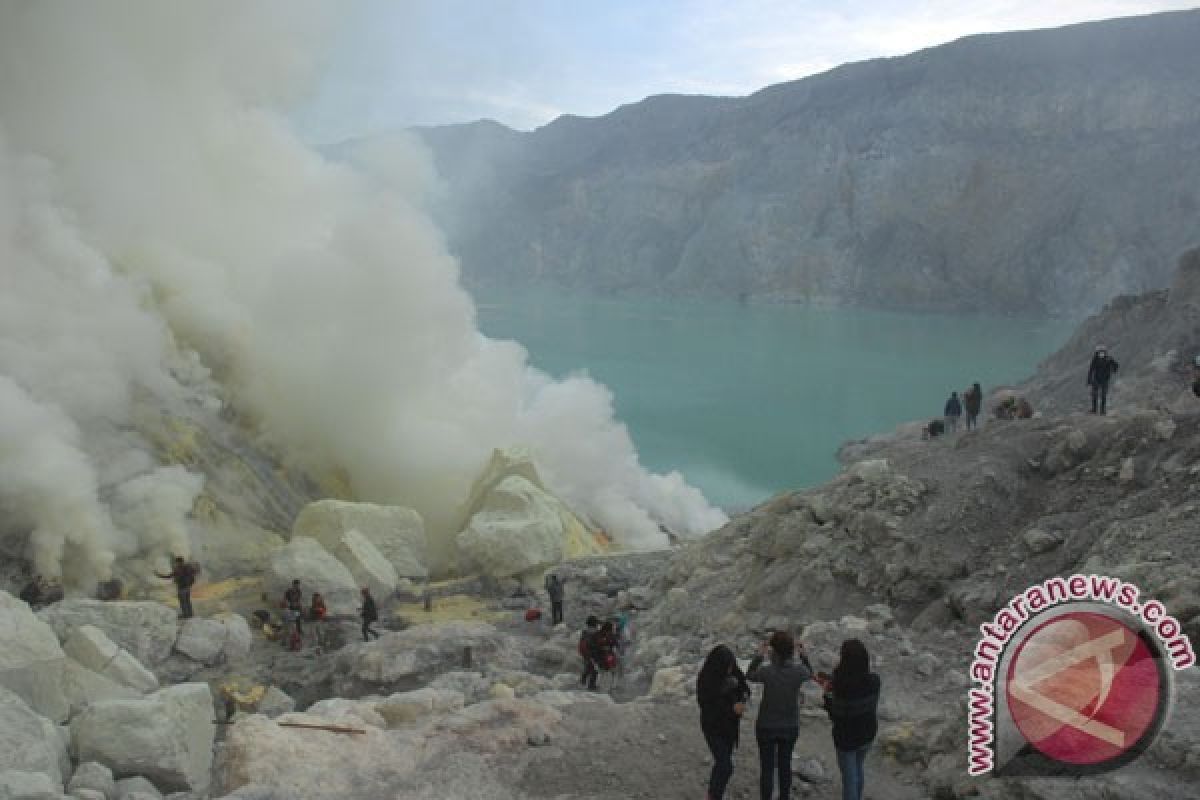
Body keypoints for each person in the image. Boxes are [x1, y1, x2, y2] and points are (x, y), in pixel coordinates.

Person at [747, 631, 814, 800]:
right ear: (792, 650)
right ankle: (785, 797)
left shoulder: (766, 672)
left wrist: (759, 655)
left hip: (766, 725)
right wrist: (804, 655)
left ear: (772, 651)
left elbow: (749, 674)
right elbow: (810, 673)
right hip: (789, 725)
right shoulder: (798, 671)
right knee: (785, 766)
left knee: (767, 769)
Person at [822, 639, 881, 800]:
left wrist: (827, 694)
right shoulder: (875, 681)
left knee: (849, 779)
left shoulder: (841, 688)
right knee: (858, 769)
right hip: (868, 733)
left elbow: (835, 715)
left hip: (847, 739)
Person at [697, 645, 751, 800]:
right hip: (713, 727)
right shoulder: (706, 679)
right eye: (726, 667)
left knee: (722, 764)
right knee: (725, 766)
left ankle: (714, 794)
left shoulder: (733, 670)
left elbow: (745, 689)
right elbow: (707, 706)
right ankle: (714, 795)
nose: (729, 670)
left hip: (730, 727)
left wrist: (742, 700)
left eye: (731, 666)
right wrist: (731, 709)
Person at [1087, 345, 1119, 414]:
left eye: (1102, 351)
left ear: (1105, 352)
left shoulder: (1109, 359)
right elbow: (1091, 369)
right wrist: (1089, 380)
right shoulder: (1095, 359)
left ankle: (1102, 411)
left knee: (1103, 395)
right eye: (1100, 352)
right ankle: (1094, 410)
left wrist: (1114, 369)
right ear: (1097, 352)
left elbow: (1116, 365)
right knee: (1094, 395)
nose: (1101, 353)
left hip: (1105, 379)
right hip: (1096, 379)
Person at [579, 615, 602, 689]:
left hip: (585, 653)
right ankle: (591, 685)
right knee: (595, 670)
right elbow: (597, 644)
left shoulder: (585, 632)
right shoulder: (595, 633)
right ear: (594, 624)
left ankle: (583, 681)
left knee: (588, 667)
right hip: (592, 653)